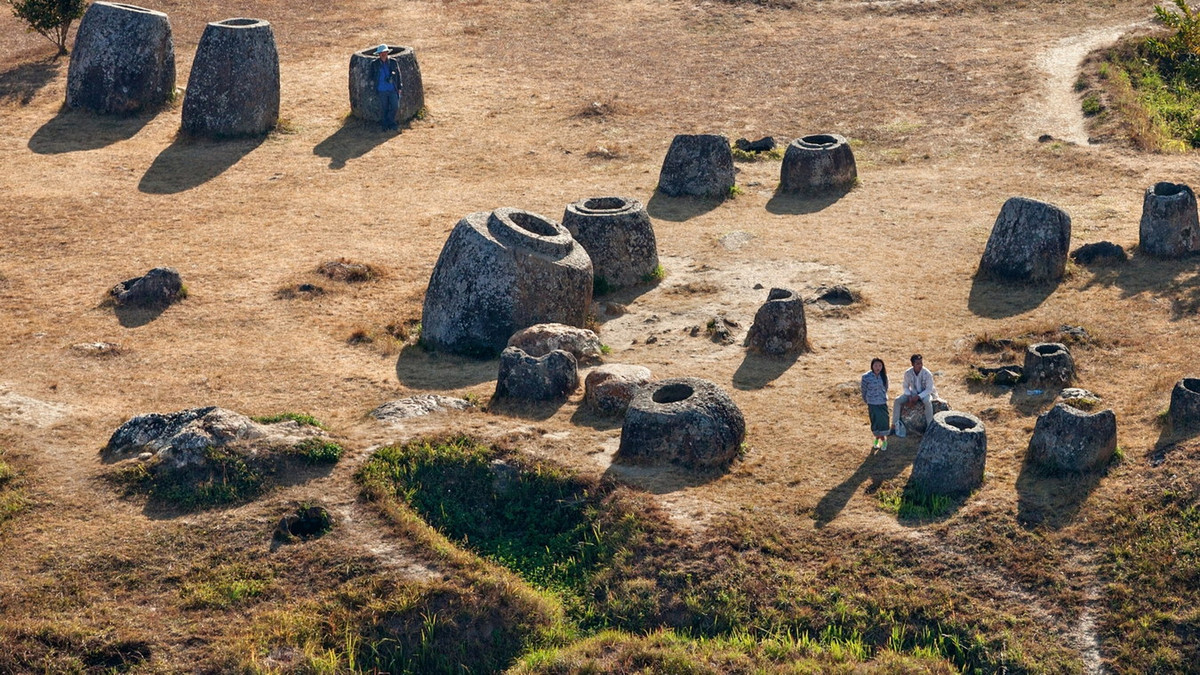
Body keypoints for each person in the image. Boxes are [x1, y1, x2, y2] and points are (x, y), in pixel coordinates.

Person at [892, 353, 936, 437]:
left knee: (927, 402)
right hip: (912, 393)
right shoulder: (908, 373)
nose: (920, 365)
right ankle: (894, 426)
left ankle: (929, 426)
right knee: (897, 400)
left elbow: (929, 389)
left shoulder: (927, 374)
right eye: (917, 363)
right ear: (912, 364)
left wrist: (918, 397)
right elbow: (905, 386)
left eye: (921, 363)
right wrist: (908, 396)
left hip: (925, 393)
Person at [860, 358, 890, 451]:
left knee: (884, 421)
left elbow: (886, 387)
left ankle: (883, 441)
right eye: (876, 365)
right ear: (872, 366)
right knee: (875, 422)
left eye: (880, 366)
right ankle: (878, 440)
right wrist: (867, 400)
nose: (878, 368)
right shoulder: (866, 377)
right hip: (872, 403)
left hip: (882, 402)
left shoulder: (884, 376)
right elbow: (863, 390)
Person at [371, 44, 402, 131]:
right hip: (382, 90)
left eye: (384, 52)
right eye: (381, 53)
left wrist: (399, 87)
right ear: (379, 54)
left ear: (387, 52)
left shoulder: (393, 62)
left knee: (395, 106)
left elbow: (398, 75)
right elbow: (371, 75)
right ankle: (385, 124)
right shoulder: (375, 64)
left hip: (392, 89)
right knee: (384, 108)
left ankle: (391, 122)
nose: (383, 54)